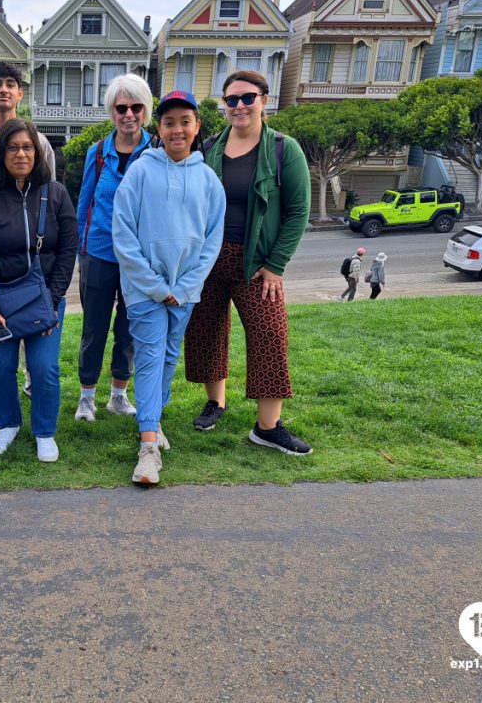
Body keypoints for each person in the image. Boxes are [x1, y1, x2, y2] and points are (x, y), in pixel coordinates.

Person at [184, 70, 313, 457]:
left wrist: (276, 265)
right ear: (223, 105)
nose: (239, 106)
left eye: (247, 98)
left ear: (264, 100)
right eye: (231, 99)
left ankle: (267, 427)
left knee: (270, 336)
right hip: (210, 259)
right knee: (207, 331)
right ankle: (215, 402)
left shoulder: (282, 149)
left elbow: (297, 211)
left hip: (258, 263)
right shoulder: (207, 149)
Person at [112, 90, 225, 486]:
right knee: (148, 356)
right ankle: (147, 448)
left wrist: (186, 285)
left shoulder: (208, 179)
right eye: (169, 122)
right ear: (158, 128)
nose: (177, 129)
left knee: (166, 358)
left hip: (186, 290)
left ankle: (153, 420)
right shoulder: (141, 171)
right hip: (145, 290)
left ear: (196, 127)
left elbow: (212, 241)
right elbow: (123, 233)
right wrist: (157, 286)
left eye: (185, 121)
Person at [0, 119, 77, 462]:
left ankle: (44, 431)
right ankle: (8, 424)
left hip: (45, 298)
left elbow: (68, 249)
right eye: (13, 147)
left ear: (37, 152)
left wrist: (54, 299)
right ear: (1, 153)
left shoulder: (56, 193)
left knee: (44, 368)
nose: (20, 154)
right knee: (0, 369)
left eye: (27, 147)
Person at [74, 73, 154, 424]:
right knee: (94, 328)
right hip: (99, 254)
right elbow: (85, 203)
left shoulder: (157, 151)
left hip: (139, 260)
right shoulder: (97, 153)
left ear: (146, 110)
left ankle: (119, 395)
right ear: (112, 111)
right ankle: (87, 397)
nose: (129, 114)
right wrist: (80, 251)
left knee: (129, 328)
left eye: (136, 107)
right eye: (122, 107)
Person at [0, 60, 56, 400]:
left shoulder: (40, 142)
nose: (4, 89)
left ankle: (30, 376)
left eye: (10, 83)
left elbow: (49, 195)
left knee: (35, 325)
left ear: (20, 92)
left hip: (35, 257)